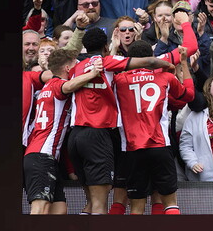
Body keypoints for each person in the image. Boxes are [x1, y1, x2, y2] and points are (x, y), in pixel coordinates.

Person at [66, 26, 176, 215]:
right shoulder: (106, 62)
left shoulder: (75, 68)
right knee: (100, 206)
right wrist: (168, 66)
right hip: (98, 134)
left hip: (74, 136)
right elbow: (149, 61)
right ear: (105, 48)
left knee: (90, 204)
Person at [112, 41, 194, 215]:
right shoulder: (165, 77)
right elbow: (189, 95)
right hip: (160, 146)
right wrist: (184, 64)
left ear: (130, 59)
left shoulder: (118, 80)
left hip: (132, 149)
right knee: (170, 203)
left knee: (136, 207)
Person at [23, 48, 102, 215]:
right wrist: (92, 73)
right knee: (40, 209)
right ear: (67, 69)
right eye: (75, 65)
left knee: (59, 210)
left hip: (46, 157)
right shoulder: (57, 84)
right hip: (41, 155)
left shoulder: (47, 86)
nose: (78, 68)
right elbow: (69, 85)